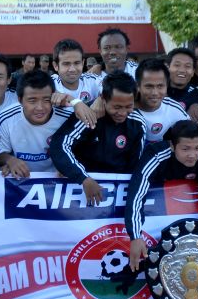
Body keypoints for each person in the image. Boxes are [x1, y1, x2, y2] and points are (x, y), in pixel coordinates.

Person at [125, 120, 198, 271]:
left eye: (197, 148)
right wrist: (135, 236)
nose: (192, 155)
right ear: (173, 146)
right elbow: (136, 195)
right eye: (185, 149)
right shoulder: (156, 155)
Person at [51, 72, 146, 206]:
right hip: (81, 188)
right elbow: (59, 146)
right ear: (103, 99)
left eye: (129, 106)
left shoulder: (137, 124)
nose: (123, 113)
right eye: (117, 107)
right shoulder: (88, 114)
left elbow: (135, 166)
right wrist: (83, 178)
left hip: (117, 192)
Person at [0, 70, 75, 177]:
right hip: (22, 179)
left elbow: (78, 151)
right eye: (32, 101)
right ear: (20, 100)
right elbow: (1, 154)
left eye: (46, 100)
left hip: (56, 178)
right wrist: (10, 160)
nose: (40, 108)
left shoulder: (66, 117)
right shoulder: (6, 118)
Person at [134, 58, 190, 143]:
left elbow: (191, 135)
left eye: (160, 86)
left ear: (167, 86)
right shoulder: (125, 109)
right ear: (138, 86)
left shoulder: (173, 108)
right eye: (149, 86)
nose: (155, 93)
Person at [51, 39, 100, 106]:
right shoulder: (51, 83)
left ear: (83, 63)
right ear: (55, 66)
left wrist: (101, 99)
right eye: (66, 64)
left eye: (77, 63)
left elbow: (112, 90)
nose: (72, 69)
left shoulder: (92, 80)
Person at [166, 47, 198, 120]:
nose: (182, 70)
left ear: (193, 72)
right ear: (168, 67)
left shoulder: (197, 94)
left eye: (187, 66)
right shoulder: (157, 90)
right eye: (177, 65)